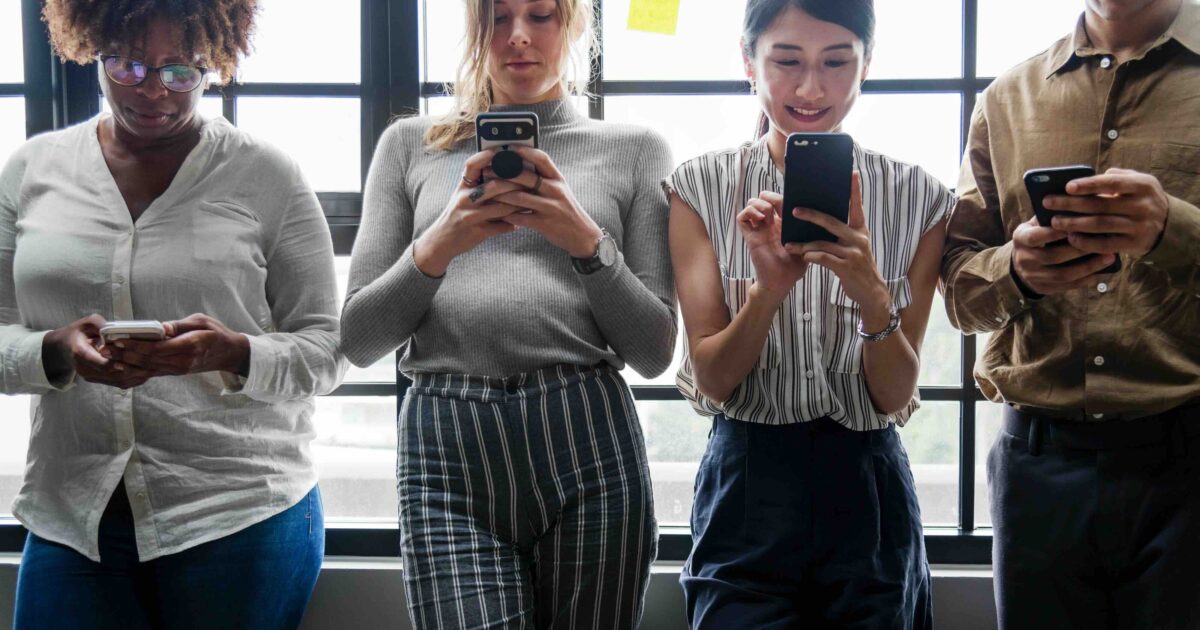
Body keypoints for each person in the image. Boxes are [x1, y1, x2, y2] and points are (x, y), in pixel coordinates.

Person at [0, 1, 346, 628]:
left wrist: (231, 352)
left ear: (214, 61)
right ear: (92, 48)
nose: (152, 90)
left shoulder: (267, 174)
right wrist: (52, 350)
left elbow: (328, 349)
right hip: (73, 513)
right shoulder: (31, 170)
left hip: (239, 511)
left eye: (180, 70)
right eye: (127, 65)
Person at [338, 0, 675, 627]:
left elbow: (655, 353)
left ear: (576, 25)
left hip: (587, 437)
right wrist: (441, 243)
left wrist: (585, 240)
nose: (518, 37)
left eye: (542, 15)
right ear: (473, 27)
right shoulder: (409, 145)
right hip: (448, 445)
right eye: (498, 17)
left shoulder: (635, 149)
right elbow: (358, 339)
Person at [665, 0, 953, 627]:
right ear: (749, 61)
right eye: (786, 61)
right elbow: (712, 379)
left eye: (836, 62)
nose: (810, 88)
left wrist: (871, 292)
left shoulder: (922, 197)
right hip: (748, 476)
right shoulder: (699, 187)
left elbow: (896, 393)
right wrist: (768, 290)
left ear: (866, 64)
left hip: (868, 477)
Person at [941, 0, 1200, 626]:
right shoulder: (1006, 98)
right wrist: (1016, 271)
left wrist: (1175, 229)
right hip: (1037, 466)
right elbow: (956, 290)